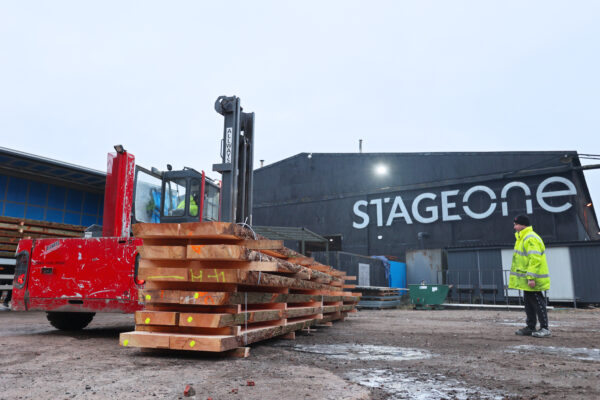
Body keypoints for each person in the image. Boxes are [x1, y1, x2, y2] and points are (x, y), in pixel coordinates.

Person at [510, 214, 551, 338]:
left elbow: (534, 259)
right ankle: (531, 326)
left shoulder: (530, 238)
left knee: (538, 303)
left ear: (522, 225)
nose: (514, 226)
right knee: (529, 304)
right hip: (527, 280)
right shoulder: (522, 238)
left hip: (533, 279)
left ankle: (545, 328)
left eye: (515, 224)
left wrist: (531, 277)